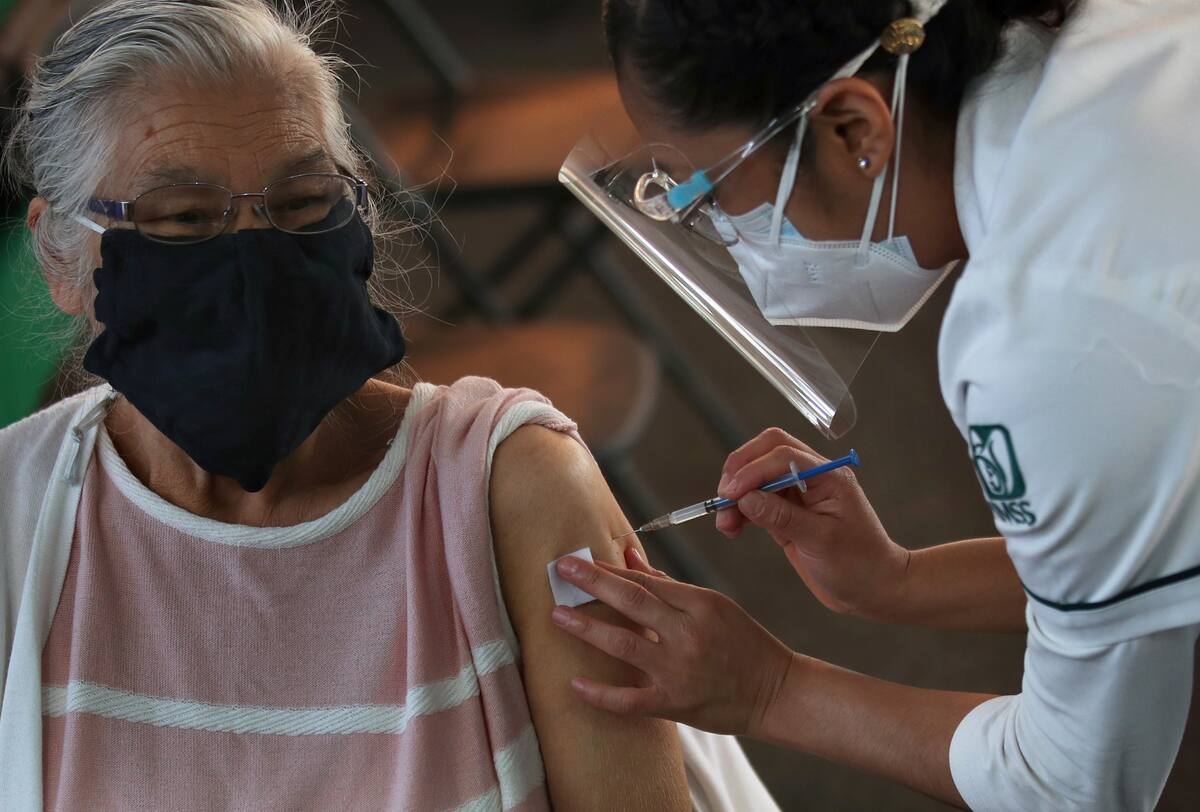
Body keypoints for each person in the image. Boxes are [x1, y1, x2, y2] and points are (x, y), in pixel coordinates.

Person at [0, 1, 777, 809]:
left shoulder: (513, 495)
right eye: (184, 219)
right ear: (61, 257)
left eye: (301, 205)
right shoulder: (17, 526)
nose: (253, 269)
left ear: (356, 210)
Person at [551, 0, 1200, 809]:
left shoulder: (1049, 337)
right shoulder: (1111, 37)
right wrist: (894, 582)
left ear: (854, 129)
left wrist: (769, 689)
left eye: (711, 195)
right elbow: (1144, 540)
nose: (718, 232)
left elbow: (1079, 780)